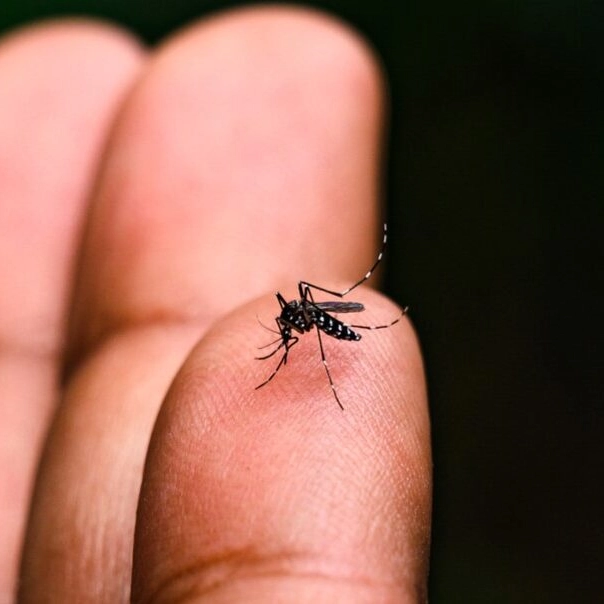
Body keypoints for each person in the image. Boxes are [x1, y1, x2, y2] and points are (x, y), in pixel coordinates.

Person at [0, 6, 431, 602]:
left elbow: (304, 328)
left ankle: (357, 299)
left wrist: (316, 340)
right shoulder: (290, 319)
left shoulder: (306, 320)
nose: (287, 327)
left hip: (340, 321)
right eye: (288, 329)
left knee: (316, 312)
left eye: (289, 328)